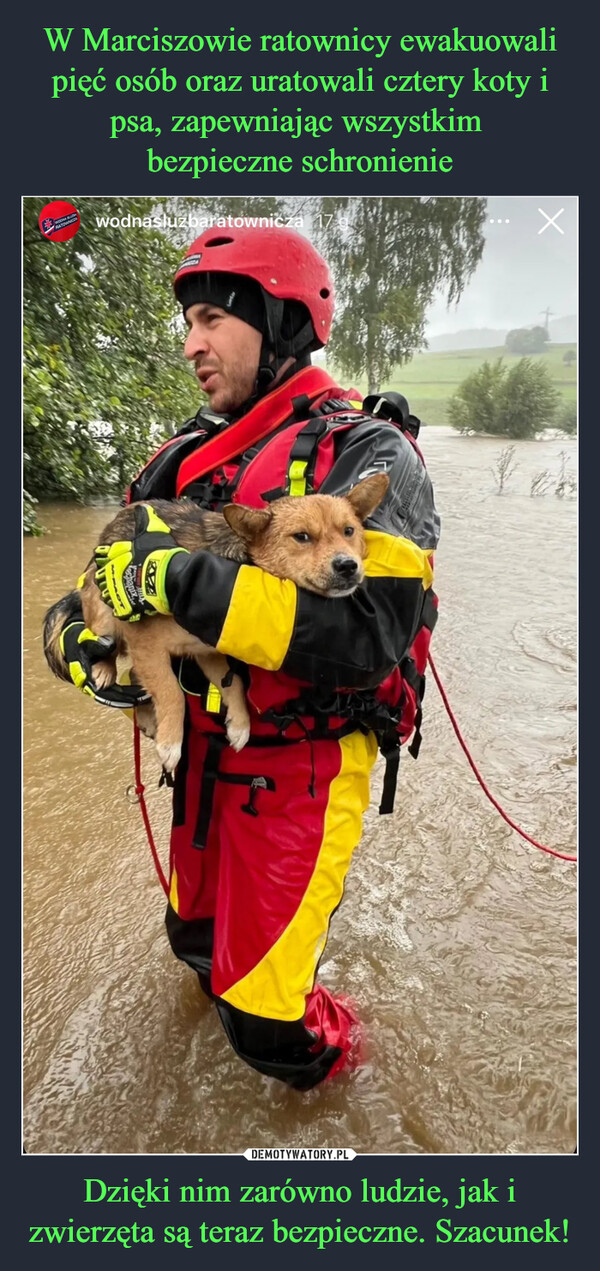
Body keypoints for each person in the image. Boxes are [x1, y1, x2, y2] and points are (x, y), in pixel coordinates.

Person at [44, 225, 440, 1091]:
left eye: (213, 317)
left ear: (283, 323)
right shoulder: (185, 458)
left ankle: (360, 1083)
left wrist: (185, 582)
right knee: (194, 946)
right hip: (204, 763)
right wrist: (68, 638)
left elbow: (366, 639)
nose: (191, 344)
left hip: (303, 760)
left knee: (269, 1023)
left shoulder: (375, 457)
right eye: (188, 321)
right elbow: (95, 582)